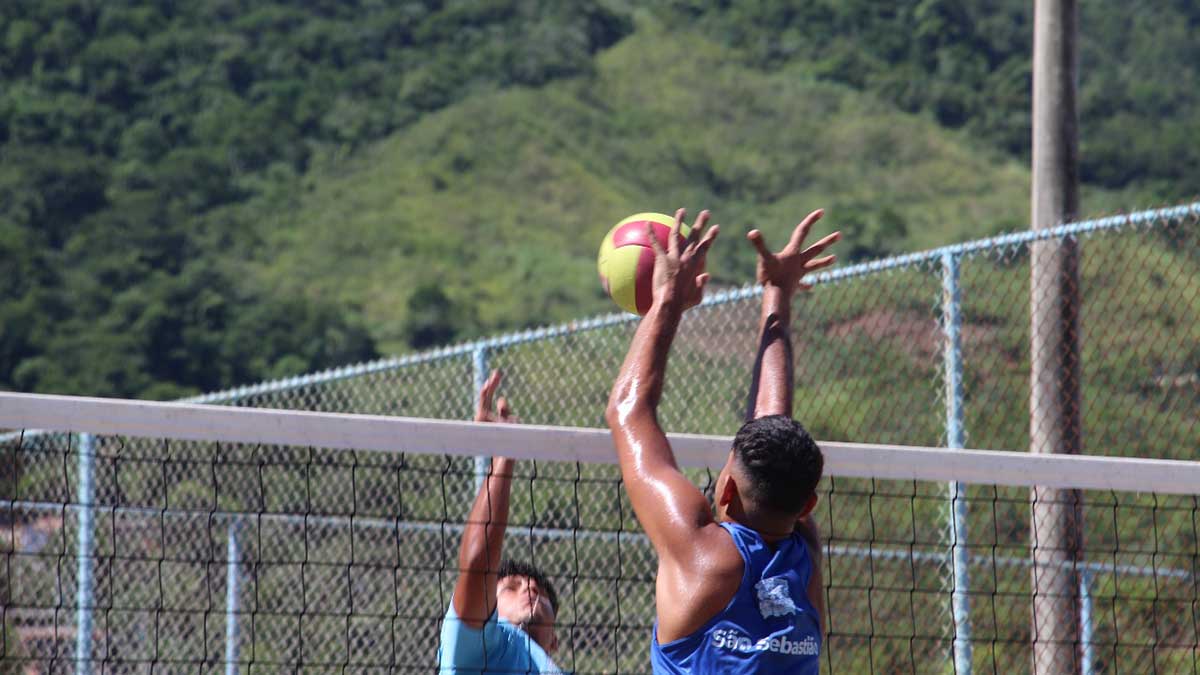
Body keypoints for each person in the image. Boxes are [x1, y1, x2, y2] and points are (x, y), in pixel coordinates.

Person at [605, 208, 840, 673]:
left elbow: (627, 410)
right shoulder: (805, 563)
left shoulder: (701, 554)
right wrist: (777, 295)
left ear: (727, 491)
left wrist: (668, 300)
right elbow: (771, 430)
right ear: (807, 505)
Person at [438, 370, 563, 674]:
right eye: (511, 587)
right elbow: (477, 565)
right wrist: (504, 456)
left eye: (540, 593)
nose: (530, 590)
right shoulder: (482, 644)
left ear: (555, 640)